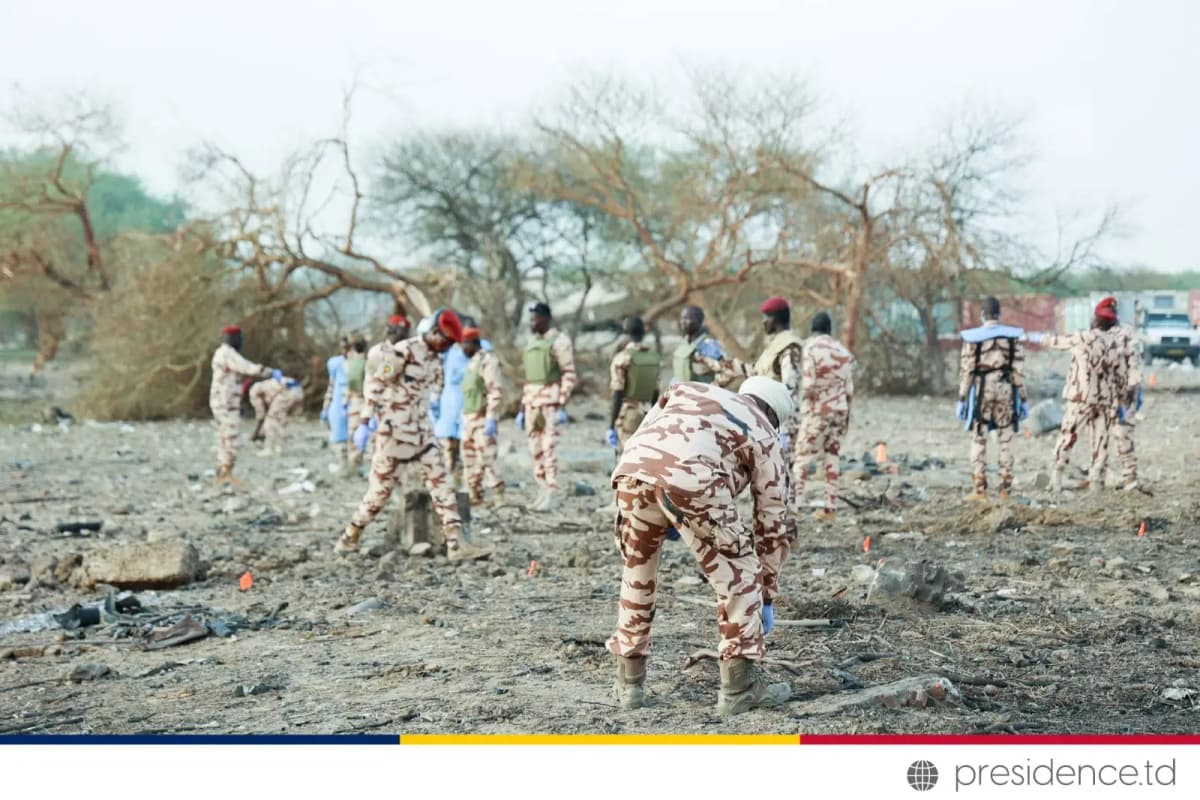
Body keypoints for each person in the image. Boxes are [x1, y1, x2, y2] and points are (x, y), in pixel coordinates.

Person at [606, 376, 797, 716]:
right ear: (772, 412)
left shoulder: (686, 390)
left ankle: (629, 684)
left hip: (634, 470)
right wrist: (765, 591)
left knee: (638, 573)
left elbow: (646, 433)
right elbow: (771, 521)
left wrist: (666, 507)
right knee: (741, 573)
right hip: (693, 482)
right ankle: (739, 689)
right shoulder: (764, 430)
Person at [336, 309, 491, 561]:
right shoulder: (403, 351)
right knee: (379, 494)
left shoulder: (436, 359)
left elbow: (434, 391)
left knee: (442, 482)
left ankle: (456, 543)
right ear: (434, 333)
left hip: (421, 434)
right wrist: (365, 420)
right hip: (394, 435)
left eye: (452, 343)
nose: (448, 347)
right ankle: (349, 536)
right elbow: (377, 383)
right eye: (446, 341)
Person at [1044, 300, 1129, 491]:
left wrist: (1042, 338)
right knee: (1100, 441)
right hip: (1104, 401)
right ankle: (1096, 482)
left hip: (1080, 399)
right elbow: (1121, 377)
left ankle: (1056, 478)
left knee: (1068, 436)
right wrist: (1120, 401)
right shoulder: (1115, 344)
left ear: (1095, 319)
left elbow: (1055, 342)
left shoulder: (1082, 338)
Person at [955, 297, 1028, 502]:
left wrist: (962, 398)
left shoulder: (973, 339)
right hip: (1006, 389)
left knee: (979, 438)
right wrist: (1023, 398)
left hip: (981, 391)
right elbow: (1019, 372)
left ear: (982, 314)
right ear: (999, 314)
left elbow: (967, 371)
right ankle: (1005, 490)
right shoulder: (1013, 338)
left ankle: (980, 490)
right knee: (1006, 439)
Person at [793, 312, 855, 521]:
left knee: (801, 457)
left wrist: (802, 407)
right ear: (830, 329)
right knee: (832, 457)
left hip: (818, 411)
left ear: (813, 329)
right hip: (839, 411)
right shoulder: (843, 352)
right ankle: (830, 508)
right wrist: (846, 418)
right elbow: (849, 390)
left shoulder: (810, 349)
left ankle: (796, 505)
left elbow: (809, 385)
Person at [518, 302, 577, 512]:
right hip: (532, 403)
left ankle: (552, 492)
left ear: (546, 318)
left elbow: (569, 374)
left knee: (549, 448)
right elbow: (529, 377)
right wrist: (521, 408)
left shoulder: (559, 341)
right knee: (535, 450)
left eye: (535, 318)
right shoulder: (532, 342)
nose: (532, 323)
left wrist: (561, 403)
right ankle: (542, 489)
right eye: (530, 318)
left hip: (550, 402)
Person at [209, 325, 274, 485]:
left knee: (224, 436)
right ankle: (226, 472)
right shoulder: (227, 353)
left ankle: (223, 471)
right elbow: (247, 367)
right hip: (225, 402)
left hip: (224, 401)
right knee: (231, 437)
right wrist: (266, 371)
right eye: (239, 338)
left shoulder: (223, 353)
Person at [752, 296, 804, 467]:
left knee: (784, 473)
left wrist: (781, 426)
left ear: (775, 319)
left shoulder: (789, 347)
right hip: (769, 419)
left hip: (783, 421)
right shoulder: (775, 345)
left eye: (766, 318)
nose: (763, 322)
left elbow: (790, 389)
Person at [354, 315, 411, 467]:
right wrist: (366, 417)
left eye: (405, 332)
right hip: (383, 412)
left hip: (405, 413)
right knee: (381, 456)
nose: (403, 335)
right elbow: (373, 384)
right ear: (390, 331)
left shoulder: (409, 353)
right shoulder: (378, 353)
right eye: (399, 331)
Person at [460, 326, 505, 507]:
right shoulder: (471, 364)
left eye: (465, 344)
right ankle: (474, 494)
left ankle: (498, 494)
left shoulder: (488, 362)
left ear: (474, 343)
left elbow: (495, 391)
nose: (463, 348)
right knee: (469, 459)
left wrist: (491, 417)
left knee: (487, 457)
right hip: (468, 419)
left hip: (482, 419)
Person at [1102, 297, 1143, 490]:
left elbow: (1135, 367)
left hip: (1121, 395)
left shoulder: (1127, 335)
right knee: (1100, 436)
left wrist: (1130, 395)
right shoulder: (1097, 334)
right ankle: (1099, 477)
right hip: (1101, 394)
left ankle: (1130, 477)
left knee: (1123, 435)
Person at [606, 315, 661, 450]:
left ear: (625, 333)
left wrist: (611, 426)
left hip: (628, 414)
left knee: (626, 458)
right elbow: (656, 391)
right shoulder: (655, 357)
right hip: (648, 413)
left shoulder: (622, 358)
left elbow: (618, 393)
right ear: (643, 332)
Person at [433, 320, 471, 488]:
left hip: (466, 401)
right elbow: (439, 374)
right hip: (448, 402)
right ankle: (448, 482)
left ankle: (463, 482)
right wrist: (435, 395)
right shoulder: (448, 353)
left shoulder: (474, 352)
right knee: (447, 445)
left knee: (464, 447)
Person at [672, 306, 742, 387]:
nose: (682, 322)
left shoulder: (708, 344)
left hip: (699, 396)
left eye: (687, 318)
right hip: (680, 394)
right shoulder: (684, 343)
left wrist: (713, 387)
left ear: (698, 321)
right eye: (681, 318)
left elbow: (731, 370)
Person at [249, 373, 305, 456]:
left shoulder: (254, 393)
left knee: (270, 419)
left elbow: (261, 415)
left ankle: (269, 449)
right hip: (298, 391)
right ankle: (279, 448)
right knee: (281, 420)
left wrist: (255, 433)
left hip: (287, 391)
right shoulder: (265, 385)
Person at [321, 338, 351, 465]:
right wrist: (326, 406)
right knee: (337, 434)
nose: (345, 350)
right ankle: (342, 463)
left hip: (354, 401)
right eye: (342, 347)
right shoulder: (334, 363)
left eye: (347, 347)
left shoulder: (360, 363)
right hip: (338, 401)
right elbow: (331, 385)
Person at [343, 337, 369, 470]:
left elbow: (347, 385)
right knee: (369, 436)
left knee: (352, 433)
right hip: (366, 402)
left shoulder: (349, 364)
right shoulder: (368, 363)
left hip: (353, 401)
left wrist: (345, 401)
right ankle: (366, 464)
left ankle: (353, 464)